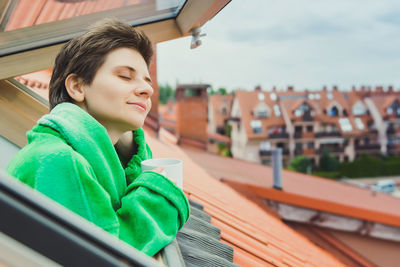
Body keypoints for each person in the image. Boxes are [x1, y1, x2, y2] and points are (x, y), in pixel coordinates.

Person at [6, 18, 190, 257]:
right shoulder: (57, 160)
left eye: (147, 81)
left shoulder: (102, 160)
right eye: (125, 76)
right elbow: (107, 258)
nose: (148, 90)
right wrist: (159, 197)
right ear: (78, 87)